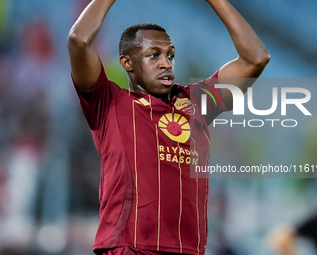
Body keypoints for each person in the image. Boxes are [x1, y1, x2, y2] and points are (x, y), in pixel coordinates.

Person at [67, 0, 270, 254]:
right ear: (127, 62)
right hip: (130, 248)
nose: (166, 63)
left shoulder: (197, 103)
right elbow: (78, 40)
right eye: (154, 55)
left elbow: (256, 58)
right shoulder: (108, 103)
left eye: (170, 55)